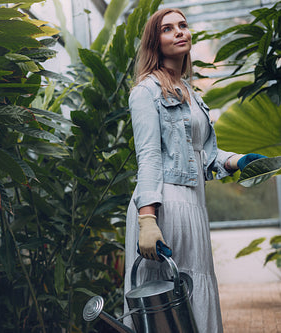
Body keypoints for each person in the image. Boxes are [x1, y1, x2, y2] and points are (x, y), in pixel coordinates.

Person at [123, 8, 266, 332]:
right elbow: (148, 156)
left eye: (183, 26)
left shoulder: (190, 92)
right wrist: (148, 220)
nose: (179, 32)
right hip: (163, 205)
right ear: (154, 42)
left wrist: (238, 161)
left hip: (193, 205)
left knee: (195, 291)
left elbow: (201, 155)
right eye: (168, 28)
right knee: (163, 301)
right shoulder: (145, 92)